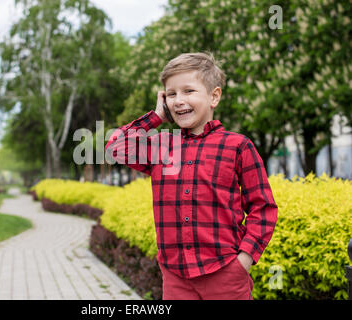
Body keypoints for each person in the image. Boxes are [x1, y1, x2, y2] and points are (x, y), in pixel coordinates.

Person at [105, 52, 278, 300]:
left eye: (188, 91)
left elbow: (264, 207)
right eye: (171, 94)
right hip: (176, 278)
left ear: (214, 96)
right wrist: (156, 116)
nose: (178, 100)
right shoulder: (161, 147)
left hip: (224, 272)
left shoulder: (237, 146)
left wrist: (245, 259)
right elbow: (114, 148)